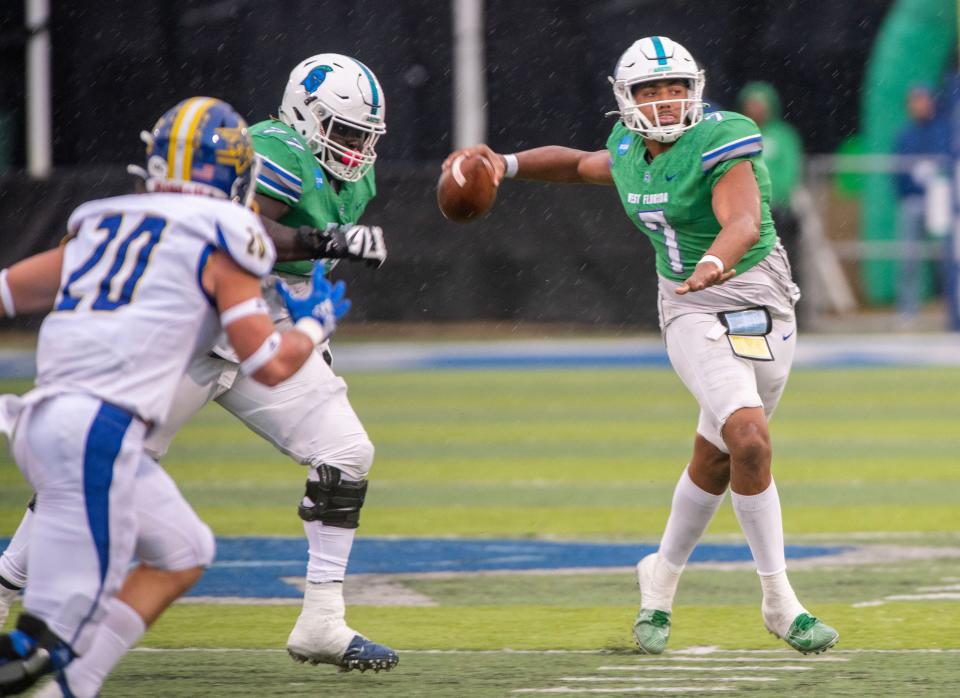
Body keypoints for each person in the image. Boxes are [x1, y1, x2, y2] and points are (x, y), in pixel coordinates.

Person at [0, 54, 399, 673]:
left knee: (346, 451)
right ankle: (10, 593)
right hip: (195, 343)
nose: (353, 148)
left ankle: (322, 621)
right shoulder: (272, 156)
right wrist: (322, 266)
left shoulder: (345, 177)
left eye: (361, 136)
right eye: (343, 131)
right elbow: (241, 234)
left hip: (252, 335)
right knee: (97, 475)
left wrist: (307, 316)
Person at [443, 35, 838, 655]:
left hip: (760, 296)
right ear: (627, 100)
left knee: (716, 460)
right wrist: (506, 162)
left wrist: (714, 260)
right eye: (651, 90)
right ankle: (779, 600)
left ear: (695, 89)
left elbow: (740, 221)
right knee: (750, 440)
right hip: (688, 305)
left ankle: (659, 583)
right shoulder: (628, 149)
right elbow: (576, 164)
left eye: (675, 87)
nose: (665, 101)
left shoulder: (721, 136)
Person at [892, 83, 951, 324]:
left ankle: (951, 309)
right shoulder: (904, 134)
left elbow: (948, 163)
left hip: (941, 202)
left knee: (948, 256)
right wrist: (910, 190)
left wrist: (937, 180)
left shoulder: (942, 131)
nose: (920, 105)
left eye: (923, 100)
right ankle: (908, 311)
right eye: (915, 101)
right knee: (909, 258)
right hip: (914, 201)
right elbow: (897, 172)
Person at [737, 82, 804, 289]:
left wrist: (769, 200)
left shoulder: (783, 136)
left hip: (776, 211)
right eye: (752, 104)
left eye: (761, 104)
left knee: (783, 262)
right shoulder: (737, 134)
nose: (756, 109)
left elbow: (790, 171)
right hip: (742, 213)